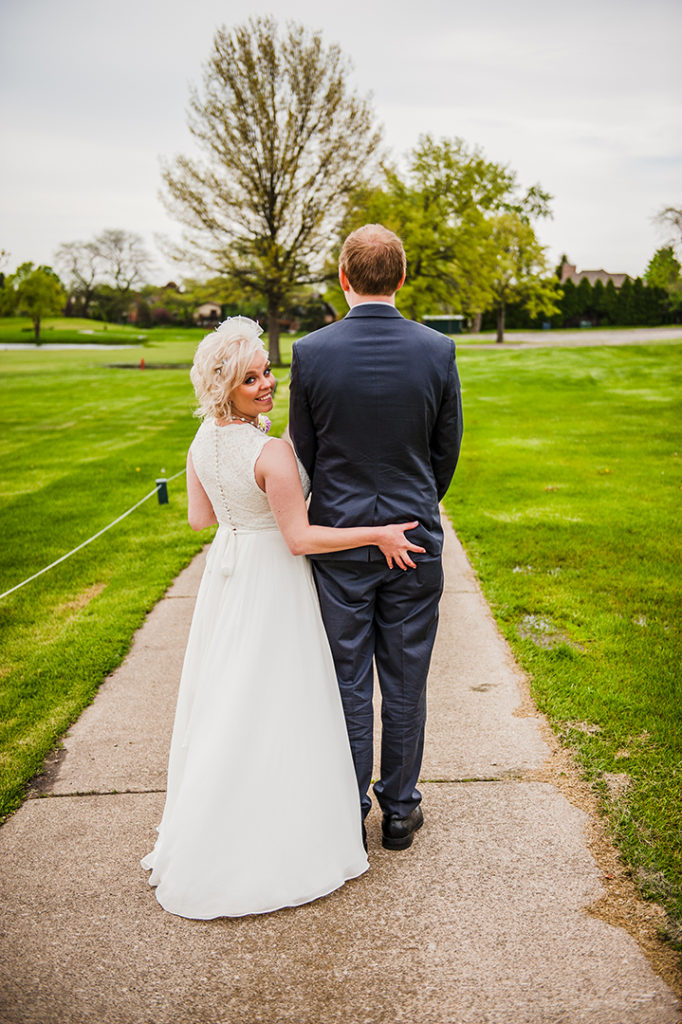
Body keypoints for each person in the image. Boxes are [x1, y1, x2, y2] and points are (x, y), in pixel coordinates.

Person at [141, 316, 424, 919]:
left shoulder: (199, 443)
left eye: (267, 371)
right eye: (252, 380)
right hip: (271, 578)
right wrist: (376, 530)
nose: (268, 384)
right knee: (281, 699)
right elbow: (299, 538)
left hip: (228, 574)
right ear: (226, 389)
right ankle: (279, 826)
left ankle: (221, 816)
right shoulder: (270, 452)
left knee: (231, 696)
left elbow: (200, 519)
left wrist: (243, 511)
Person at [289, 224, 463, 851]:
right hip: (415, 539)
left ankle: (347, 806)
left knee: (347, 678)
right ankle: (399, 810)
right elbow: (446, 452)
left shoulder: (311, 353)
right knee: (406, 677)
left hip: (339, 542)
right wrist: (413, 506)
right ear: (403, 277)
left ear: (342, 277)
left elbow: (302, 454)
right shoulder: (437, 350)